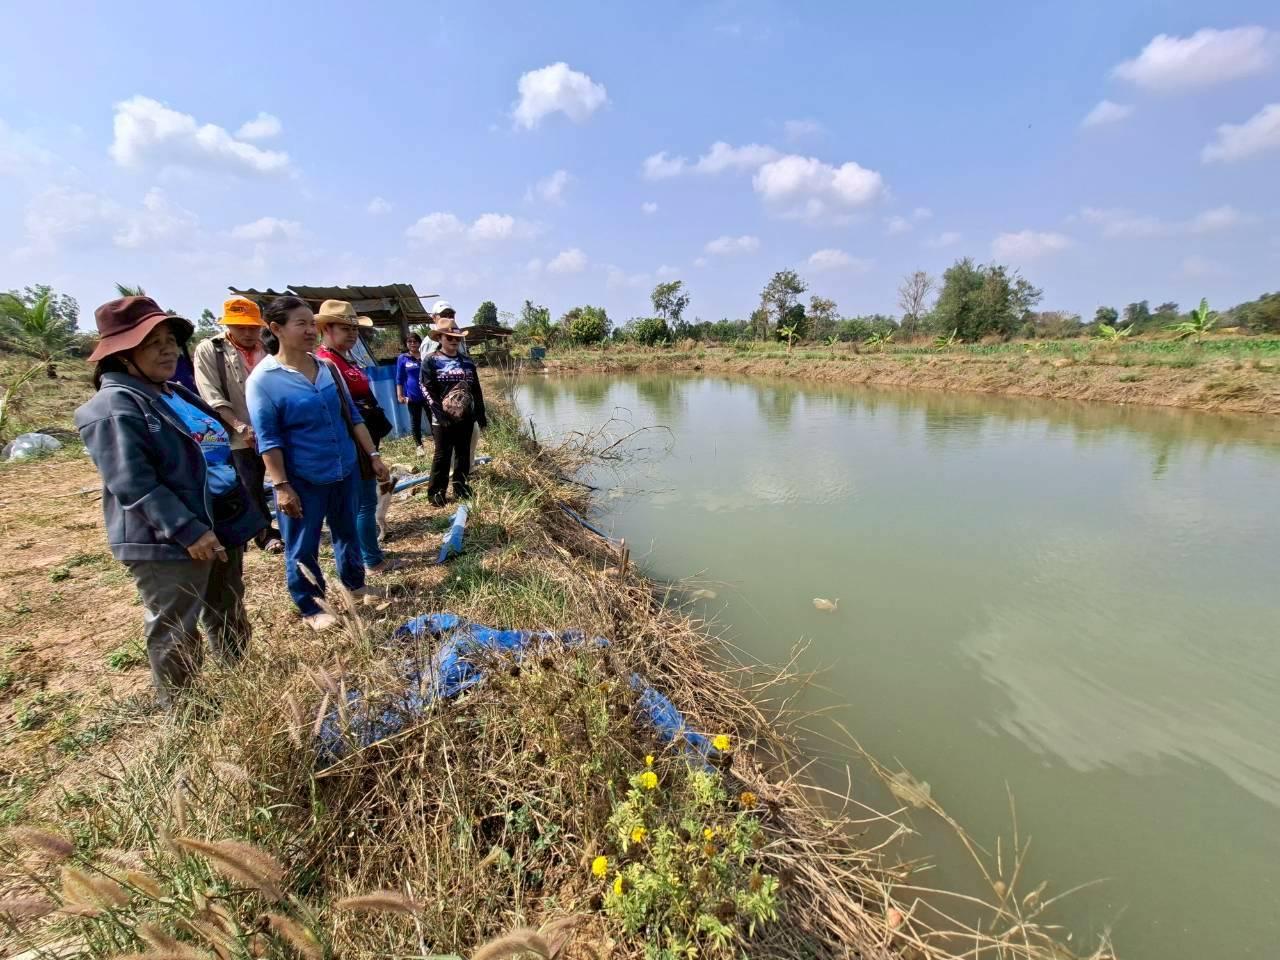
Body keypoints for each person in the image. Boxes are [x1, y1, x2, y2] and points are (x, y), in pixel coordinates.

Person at [75, 296, 266, 708]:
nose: (166, 349)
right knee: (176, 626)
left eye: (169, 340)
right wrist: (187, 529)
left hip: (218, 523)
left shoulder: (173, 392)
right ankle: (185, 713)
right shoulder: (113, 407)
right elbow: (133, 482)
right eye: (151, 342)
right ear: (123, 354)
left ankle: (244, 691)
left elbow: (214, 451)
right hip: (171, 537)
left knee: (228, 607)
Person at [246, 296, 391, 631]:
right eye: (302, 324)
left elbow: (352, 417)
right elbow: (269, 440)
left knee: (347, 533)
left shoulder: (326, 369)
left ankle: (356, 587)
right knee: (302, 544)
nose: (311, 331)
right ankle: (313, 607)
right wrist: (281, 486)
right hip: (302, 477)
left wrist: (372, 456)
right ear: (276, 329)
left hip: (344, 468)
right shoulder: (263, 380)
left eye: (312, 324)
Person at [193, 296, 283, 553]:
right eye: (240, 327)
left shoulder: (269, 347)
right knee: (249, 484)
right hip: (237, 433)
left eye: (252, 327)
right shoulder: (211, 350)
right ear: (228, 326)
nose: (247, 333)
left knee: (282, 478)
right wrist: (239, 426)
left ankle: (289, 524)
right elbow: (212, 395)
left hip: (272, 427)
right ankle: (264, 533)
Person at [313, 300, 398, 573]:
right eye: (344, 328)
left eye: (354, 328)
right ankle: (371, 560)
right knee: (364, 503)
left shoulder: (346, 359)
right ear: (326, 328)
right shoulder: (326, 363)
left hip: (365, 440)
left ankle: (367, 554)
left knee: (364, 500)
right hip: (352, 443)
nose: (352, 333)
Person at [423, 315, 487, 506]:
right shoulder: (431, 361)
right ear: (439, 338)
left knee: (463, 454)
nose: (453, 341)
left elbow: (476, 389)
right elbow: (426, 389)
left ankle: (461, 487)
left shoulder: (467, 362)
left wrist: (480, 413)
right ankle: (436, 493)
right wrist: (441, 416)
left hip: (465, 418)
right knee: (442, 455)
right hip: (442, 419)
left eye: (457, 338)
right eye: (449, 337)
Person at [396, 331, 427, 456]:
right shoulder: (403, 358)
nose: (413, 344)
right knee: (415, 421)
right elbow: (399, 378)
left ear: (420, 343)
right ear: (406, 344)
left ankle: (438, 442)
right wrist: (400, 395)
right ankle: (419, 446)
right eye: (410, 342)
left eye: (415, 341)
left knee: (433, 419)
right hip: (413, 396)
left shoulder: (425, 356)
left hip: (428, 395)